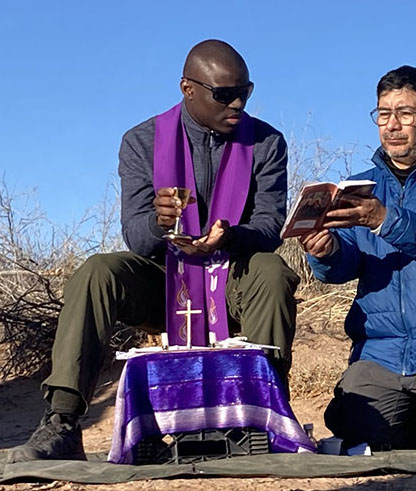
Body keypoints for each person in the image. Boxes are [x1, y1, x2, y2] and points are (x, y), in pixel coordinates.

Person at [7, 40, 299, 463]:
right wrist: (160, 224)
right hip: (165, 284)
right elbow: (136, 238)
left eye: (245, 92)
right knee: (97, 271)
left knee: (271, 270)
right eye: (224, 94)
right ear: (188, 88)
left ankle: (269, 417)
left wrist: (230, 236)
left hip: (234, 278)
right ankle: (63, 423)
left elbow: (270, 227)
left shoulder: (266, 143)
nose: (237, 103)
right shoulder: (142, 141)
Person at [300, 66, 416, 451]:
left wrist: (383, 219)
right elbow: (344, 267)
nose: (392, 125)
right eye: (383, 114)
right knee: (361, 437)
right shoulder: (358, 185)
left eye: (405, 114)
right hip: (379, 352)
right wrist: (326, 252)